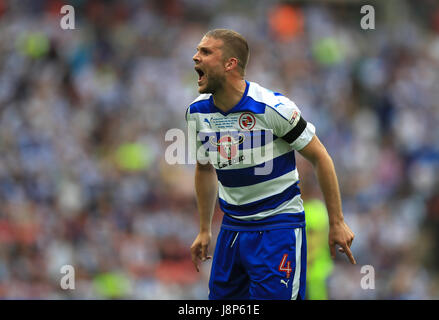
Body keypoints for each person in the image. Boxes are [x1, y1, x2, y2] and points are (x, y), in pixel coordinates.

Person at [186, 28, 356, 300]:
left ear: (230, 63)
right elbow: (205, 168)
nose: (195, 57)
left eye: (205, 52)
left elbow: (320, 156)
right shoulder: (197, 112)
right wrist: (205, 229)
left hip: (277, 228)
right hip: (232, 228)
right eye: (197, 51)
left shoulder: (271, 108)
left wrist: (337, 221)